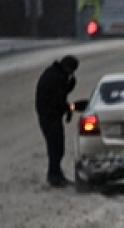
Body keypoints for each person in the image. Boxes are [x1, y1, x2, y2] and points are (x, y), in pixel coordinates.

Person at [35, 54, 79, 187]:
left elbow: (59, 95)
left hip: (48, 115)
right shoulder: (57, 77)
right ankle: (54, 176)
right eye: (72, 71)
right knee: (56, 146)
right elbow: (57, 98)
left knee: (55, 146)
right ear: (68, 68)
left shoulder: (55, 74)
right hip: (50, 116)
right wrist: (67, 108)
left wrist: (69, 86)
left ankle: (55, 173)